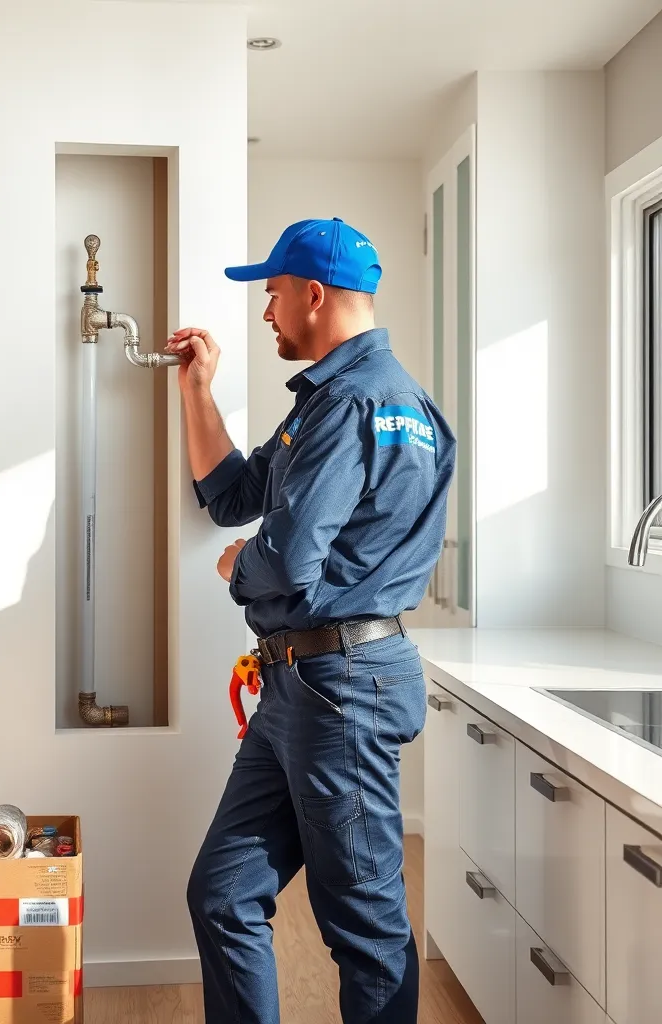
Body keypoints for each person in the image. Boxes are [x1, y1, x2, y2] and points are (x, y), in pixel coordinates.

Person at [166, 217, 456, 1024]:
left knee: (365, 931)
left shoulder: (354, 401)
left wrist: (236, 566)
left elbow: (287, 557)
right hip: (304, 684)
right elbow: (232, 494)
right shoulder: (371, 400)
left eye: (274, 292)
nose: (267, 311)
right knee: (223, 892)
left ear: (314, 294)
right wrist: (198, 387)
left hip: (343, 689)